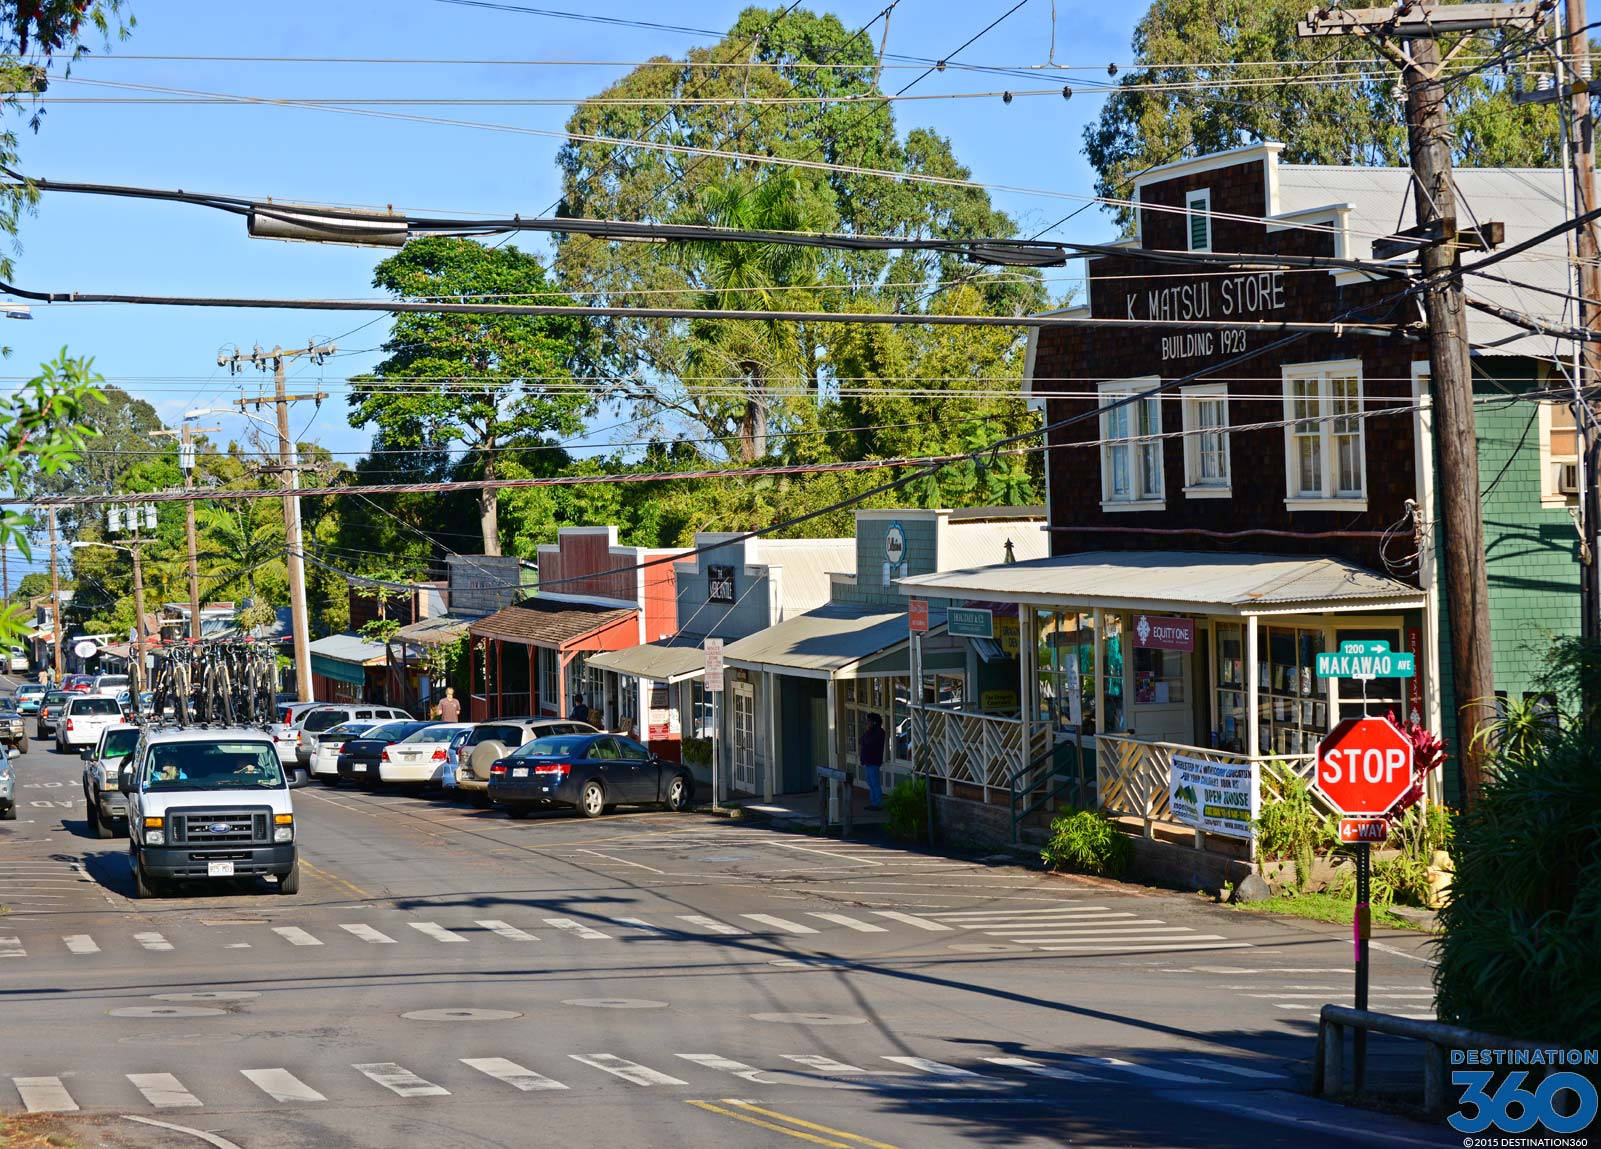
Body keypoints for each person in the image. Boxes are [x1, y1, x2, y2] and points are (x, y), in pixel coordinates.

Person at [858, 713, 887, 811]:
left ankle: (877, 803)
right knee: (870, 782)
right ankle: (873, 802)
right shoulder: (871, 732)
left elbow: (868, 742)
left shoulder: (879, 732)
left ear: (874, 722)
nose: (867, 723)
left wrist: (866, 737)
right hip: (868, 760)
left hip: (873, 760)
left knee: (875, 783)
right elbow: (861, 740)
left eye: (869, 721)